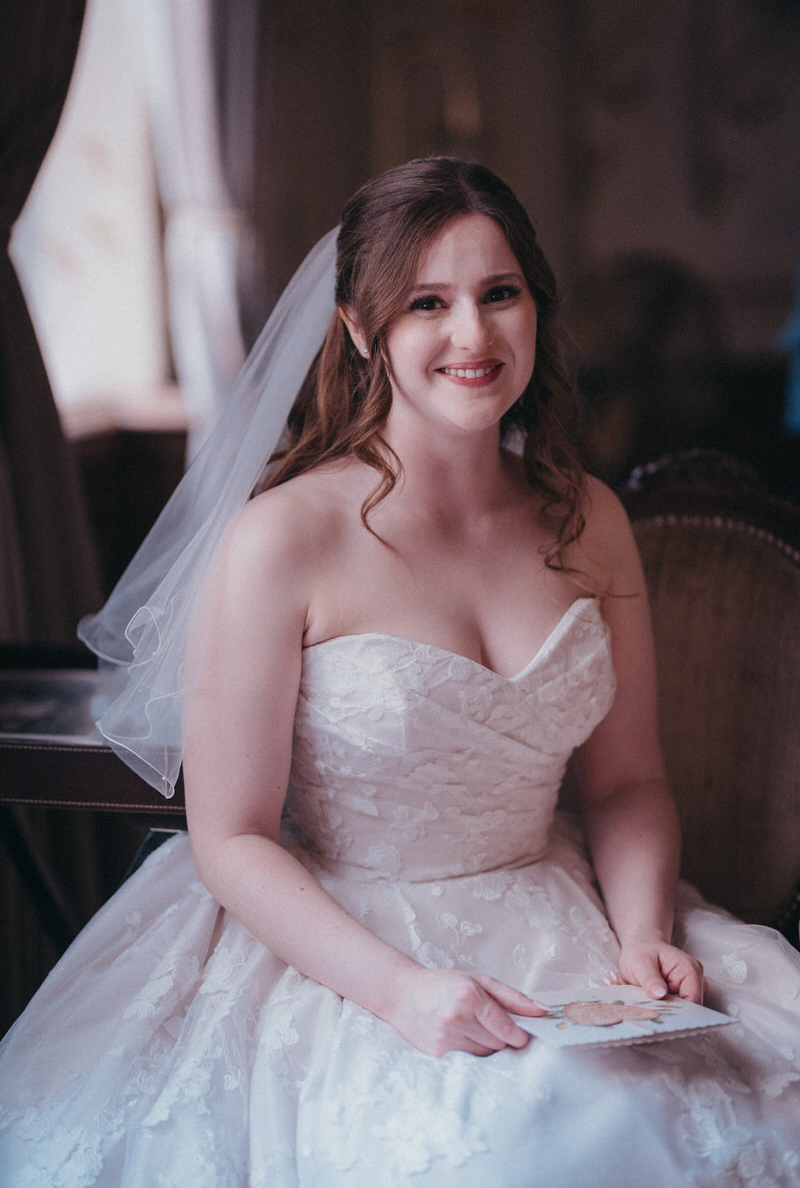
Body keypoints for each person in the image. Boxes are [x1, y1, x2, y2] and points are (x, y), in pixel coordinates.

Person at [1, 158, 798, 1187]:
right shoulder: (280, 540)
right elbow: (231, 836)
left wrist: (641, 937)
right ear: (358, 328)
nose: (472, 336)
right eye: (427, 303)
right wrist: (403, 994)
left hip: (557, 909)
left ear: (534, 310)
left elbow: (626, 782)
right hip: (339, 942)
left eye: (497, 294)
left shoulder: (585, 517)